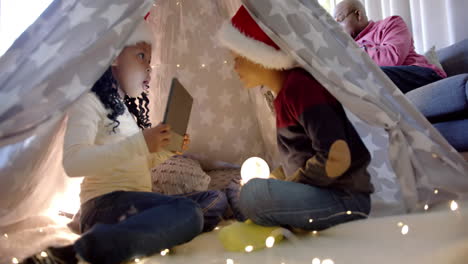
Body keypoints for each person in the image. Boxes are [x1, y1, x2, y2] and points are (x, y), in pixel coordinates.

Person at [20, 16, 215, 264]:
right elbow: (73, 163)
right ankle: (77, 251)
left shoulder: (125, 113)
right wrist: (141, 143)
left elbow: (134, 163)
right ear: (113, 56)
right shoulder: (89, 103)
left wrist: (166, 150)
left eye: (150, 62)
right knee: (189, 213)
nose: (148, 68)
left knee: (213, 200)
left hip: (136, 201)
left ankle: (154, 229)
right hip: (106, 204)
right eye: (141, 56)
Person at [217, 5, 373, 235]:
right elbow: (303, 157)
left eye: (239, 57)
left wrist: (288, 184)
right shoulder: (282, 96)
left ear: (260, 54)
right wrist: (278, 177)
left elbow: (336, 156)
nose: (235, 67)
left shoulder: (300, 87)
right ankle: (272, 216)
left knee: (253, 196)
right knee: (241, 188)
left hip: (346, 199)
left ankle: (269, 216)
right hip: (324, 193)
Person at [333, 0, 447, 93]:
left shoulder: (391, 23)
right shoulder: (349, 46)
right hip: (385, 86)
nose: (337, 28)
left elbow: (391, 58)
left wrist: (351, 52)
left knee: (366, 75)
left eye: (339, 20)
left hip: (422, 75)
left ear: (358, 15)